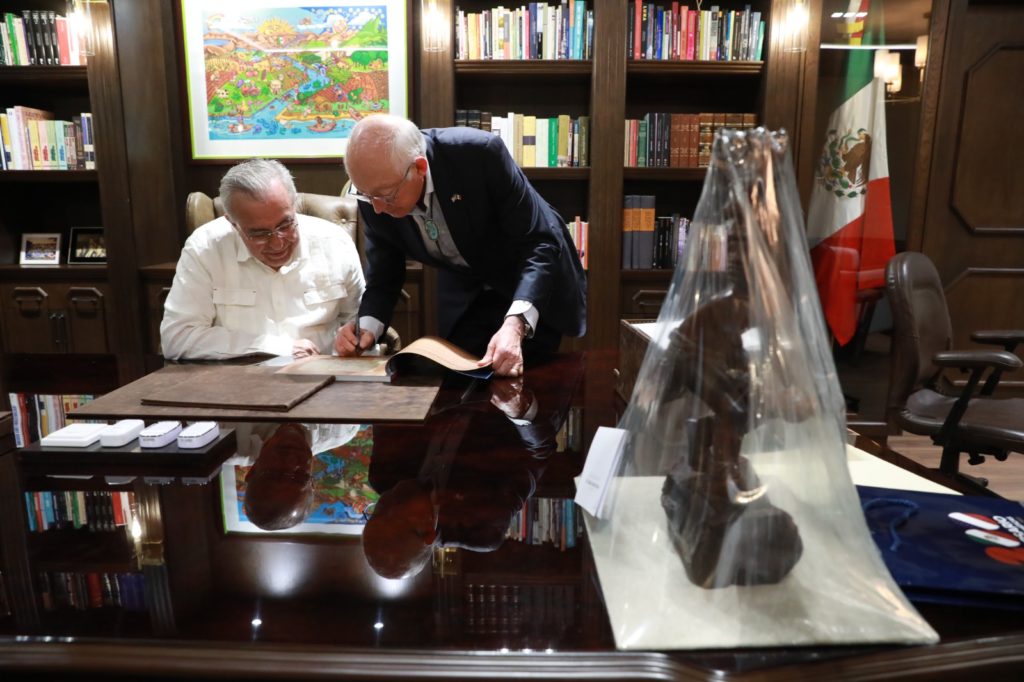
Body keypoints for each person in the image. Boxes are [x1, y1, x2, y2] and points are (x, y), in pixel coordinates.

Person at [335, 114, 587, 377]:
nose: (376, 208)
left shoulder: (478, 154)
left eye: (386, 196)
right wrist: (365, 329)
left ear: (419, 168)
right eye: (365, 195)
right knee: (460, 380)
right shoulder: (375, 188)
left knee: (528, 381)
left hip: (528, 280)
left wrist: (515, 325)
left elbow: (539, 243)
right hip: (468, 291)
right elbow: (383, 275)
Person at [161, 158, 364, 360]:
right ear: (232, 222)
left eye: (285, 225)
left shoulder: (334, 243)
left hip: (324, 370)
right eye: (259, 234)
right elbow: (177, 337)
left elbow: (357, 321)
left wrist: (352, 338)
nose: (277, 244)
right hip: (237, 374)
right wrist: (274, 347)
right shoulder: (205, 248)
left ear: (294, 206)